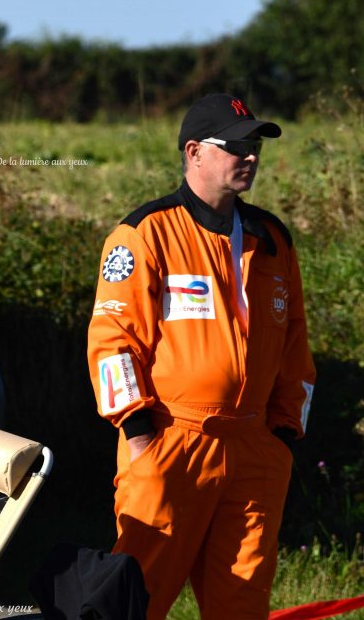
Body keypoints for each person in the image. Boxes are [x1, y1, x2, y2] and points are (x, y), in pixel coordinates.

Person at [86, 94, 316, 619]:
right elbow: (112, 340)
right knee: (133, 603)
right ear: (194, 152)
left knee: (242, 604)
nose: (251, 155)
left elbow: (296, 344)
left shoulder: (273, 238)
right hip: (171, 443)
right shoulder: (145, 233)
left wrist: (281, 435)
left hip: (254, 450)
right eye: (237, 144)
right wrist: (140, 432)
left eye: (255, 144)